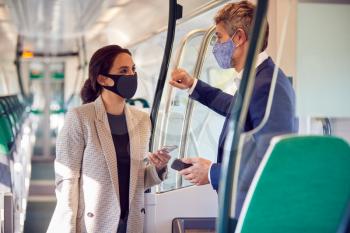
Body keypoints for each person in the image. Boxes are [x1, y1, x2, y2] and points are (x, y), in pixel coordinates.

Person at [169, 1, 298, 217]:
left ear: (239, 38)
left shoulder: (268, 84)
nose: (215, 46)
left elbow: (272, 160)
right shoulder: (255, 79)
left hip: (257, 213)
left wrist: (212, 172)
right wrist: (193, 85)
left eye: (218, 37)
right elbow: (233, 107)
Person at [47, 45, 170, 233]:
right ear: (103, 79)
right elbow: (67, 180)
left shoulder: (143, 120)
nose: (131, 76)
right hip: (94, 223)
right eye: (123, 71)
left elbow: (136, 179)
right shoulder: (81, 117)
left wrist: (158, 168)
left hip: (131, 222)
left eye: (133, 70)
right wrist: (68, 227)